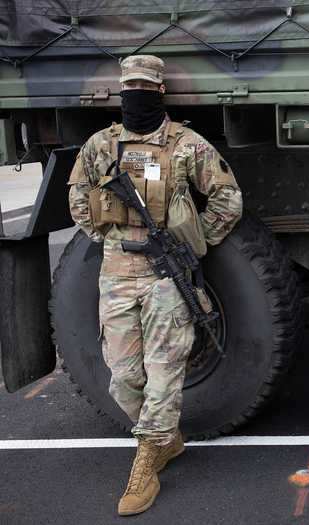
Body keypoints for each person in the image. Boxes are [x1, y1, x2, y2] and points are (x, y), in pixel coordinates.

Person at [67, 55, 242, 516]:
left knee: (165, 372)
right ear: (121, 92)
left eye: (145, 87)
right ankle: (166, 437)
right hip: (118, 272)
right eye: (130, 87)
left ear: (160, 92)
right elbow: (78, 197)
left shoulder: (186, 145)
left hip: (167, 274)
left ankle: (146, 460)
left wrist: (195, 240)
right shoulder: (101, 146)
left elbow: (228, 198)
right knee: (123, 378)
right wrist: (107, 238)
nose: (136, 95)